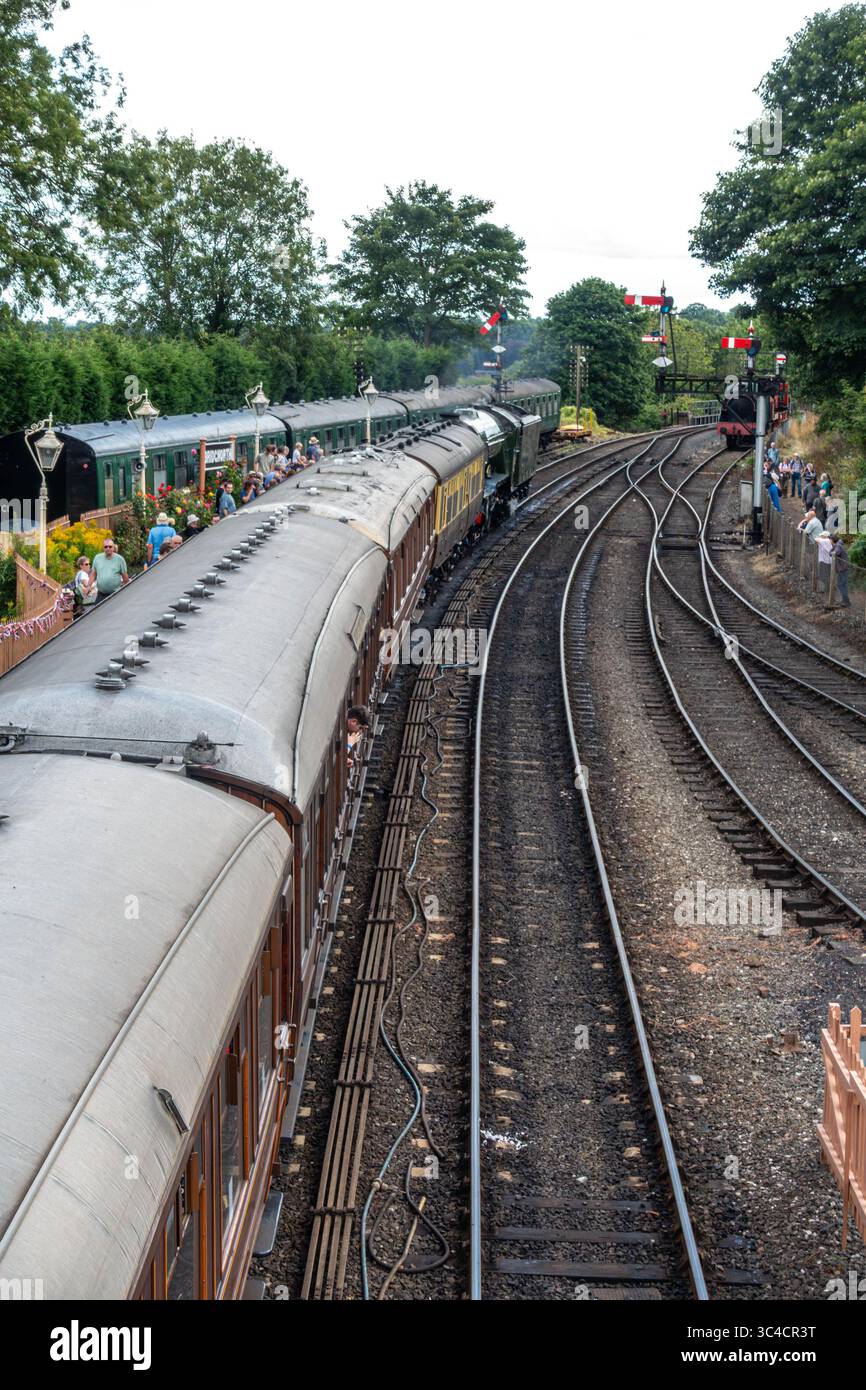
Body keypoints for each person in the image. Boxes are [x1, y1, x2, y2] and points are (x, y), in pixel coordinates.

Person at [831, 535, 851, 607]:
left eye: (830, 539)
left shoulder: (838, 546)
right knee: (843, 584)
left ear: (832, 540)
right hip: (843, 567)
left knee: (840, 584)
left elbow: (834, 553)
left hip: (843, 568)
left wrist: (832, 551)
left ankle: (846, 601)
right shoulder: (838, 545)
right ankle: (845, 600)